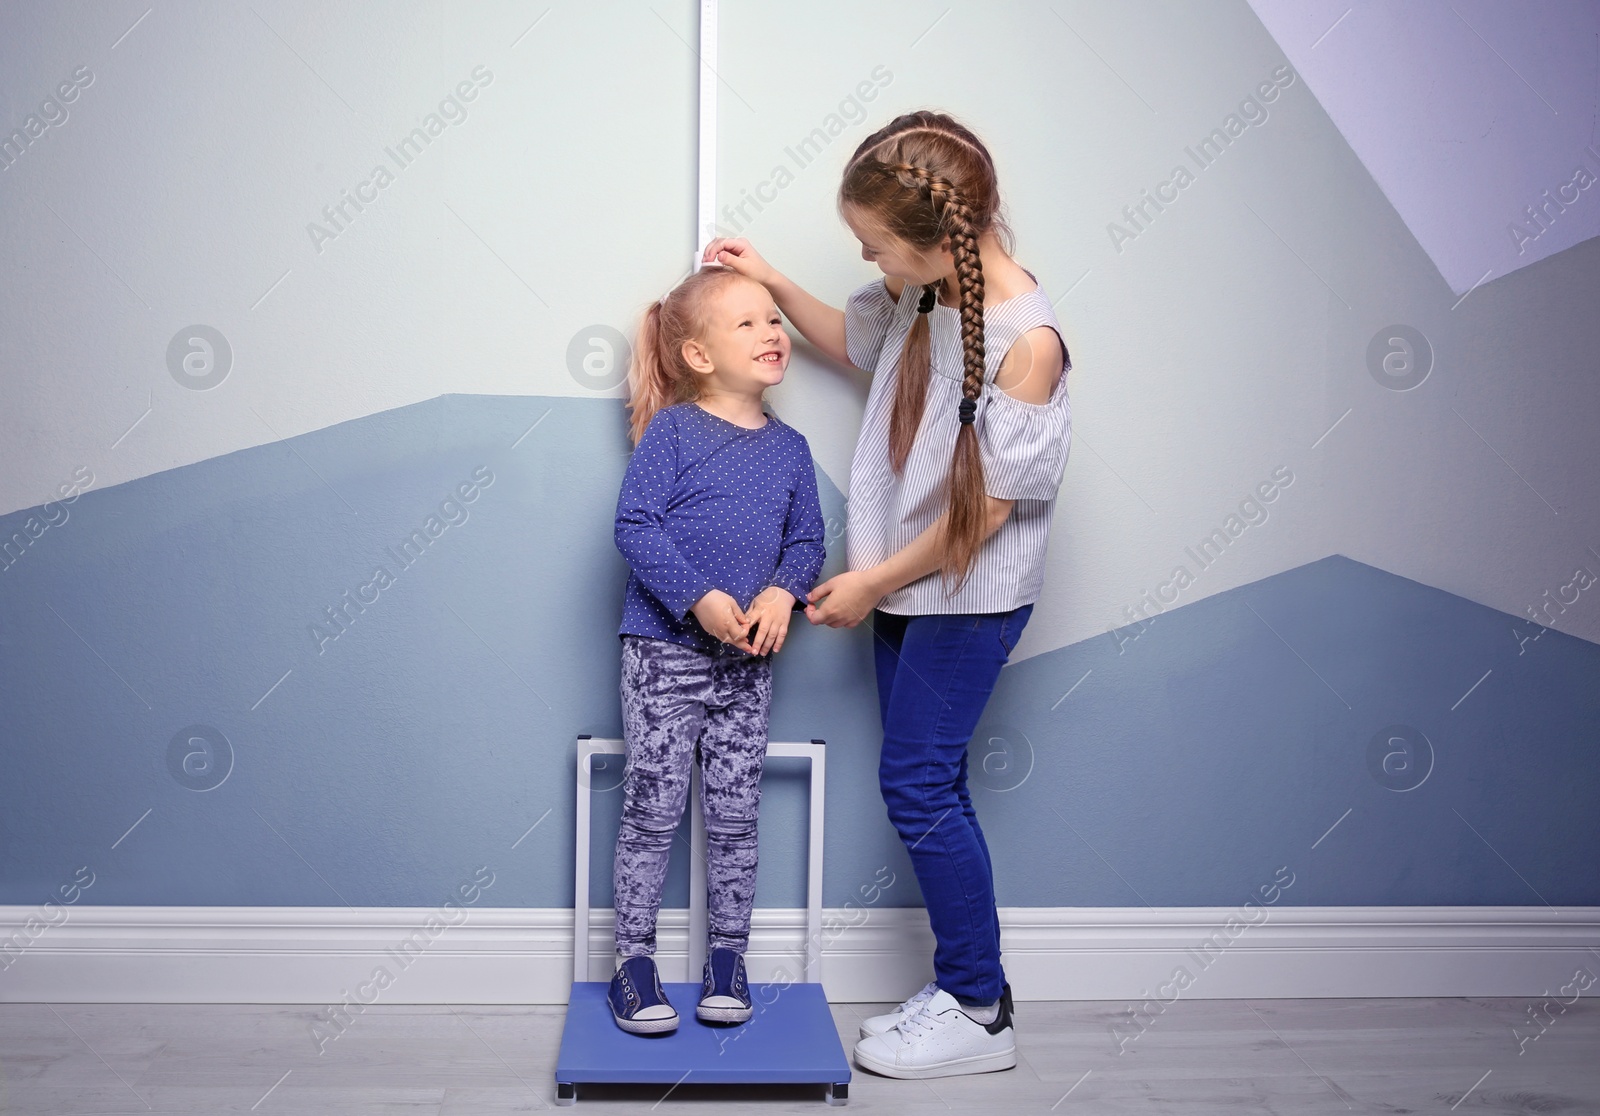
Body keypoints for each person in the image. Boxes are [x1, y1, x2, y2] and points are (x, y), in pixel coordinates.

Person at [703, 109, 1072, 1077]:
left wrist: (867, 581)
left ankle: (979, 1009)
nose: (865, 259)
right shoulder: (921, 296)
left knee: (914, 787)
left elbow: (979, 519)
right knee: (931, 783)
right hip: (906, 591)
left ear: (927, 239)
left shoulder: (1028, 347)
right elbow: (852, 342)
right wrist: (772, 278)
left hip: (967, 595)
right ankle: (963, 984)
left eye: (871, 244)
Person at [607, 263, 827, 1035]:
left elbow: (807, 539)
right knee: (653, 809)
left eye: (774, 320)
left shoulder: (792, 449)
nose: (772, 333)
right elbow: (635, 525)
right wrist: (698, 599)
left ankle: (727, 959)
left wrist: (780, 594)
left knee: (735, 815)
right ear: (699, 355)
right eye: (748, 323)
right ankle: (633, 962)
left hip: (747, 667)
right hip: (664, 656)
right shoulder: (672, 430)